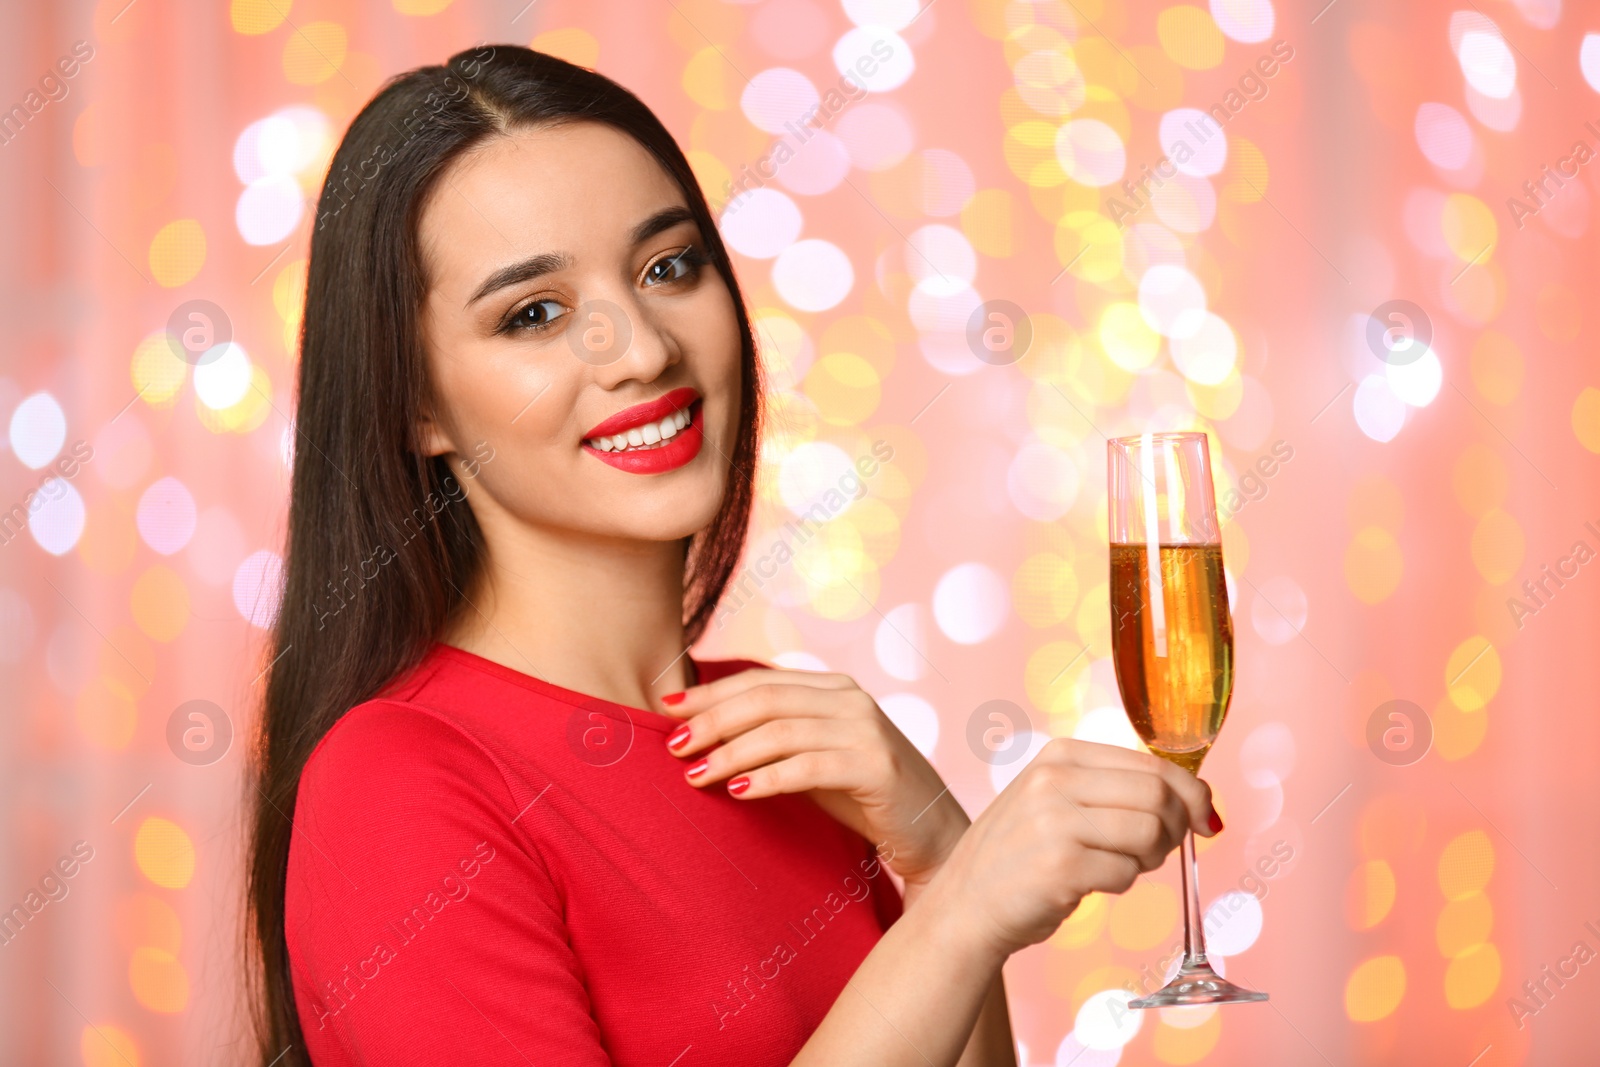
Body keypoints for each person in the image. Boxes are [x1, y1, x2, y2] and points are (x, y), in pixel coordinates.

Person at [245, 44, 1222, 1067]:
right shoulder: (396, 781)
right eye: (533, 313)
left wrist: (935, 856)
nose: (641, 348)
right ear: (414, 404)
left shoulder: (785, 740)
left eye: (668, 266)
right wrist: (965, 905)